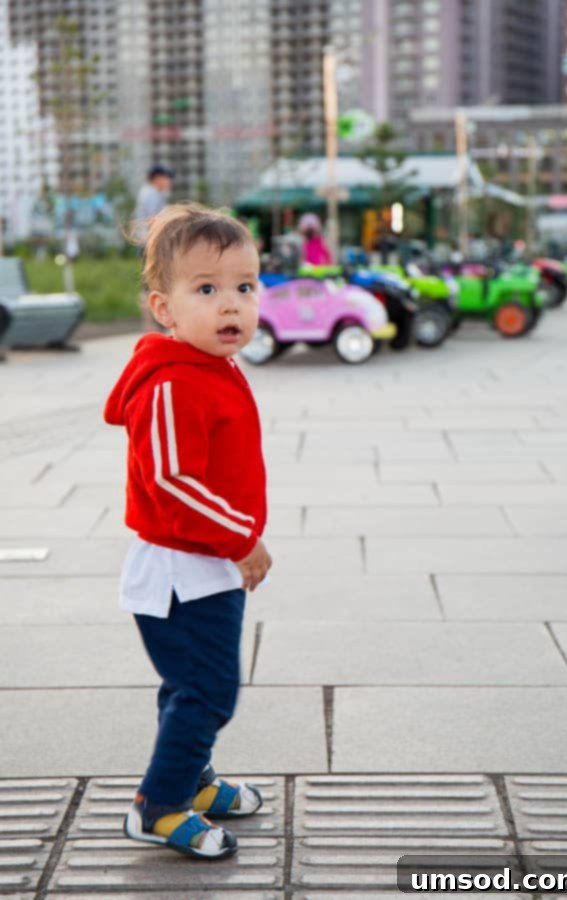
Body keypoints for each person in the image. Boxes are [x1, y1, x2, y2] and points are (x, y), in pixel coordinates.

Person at [104, 203, 272, 861]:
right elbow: (173, 481)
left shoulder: (210, 367)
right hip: (183, 569)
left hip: (204, 564)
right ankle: (160, 805)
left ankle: (192, 781)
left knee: (190, 687)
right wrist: (241, 540)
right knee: (208, 689)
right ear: (164, 309)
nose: (231, 304)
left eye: (245, 287)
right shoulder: (173, 382)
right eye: (206, 289)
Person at [132, 164, 175, 332]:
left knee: (151, 284)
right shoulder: (151, 194)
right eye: (167, 178)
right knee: (152, 284)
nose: (169, 182)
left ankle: (154, 325)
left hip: (149, 243)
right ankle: (153, 326)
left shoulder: (152, 193)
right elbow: (152, 219)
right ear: (157, 178)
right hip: (149, 244)